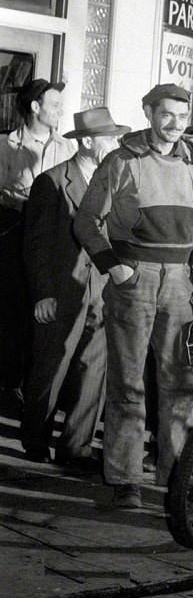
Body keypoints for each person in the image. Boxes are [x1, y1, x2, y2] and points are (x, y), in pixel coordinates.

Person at [74, 83, 193, 510]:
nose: (176, 125)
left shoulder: (192, 164)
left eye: (183, 116)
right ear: (148, 112)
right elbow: (87, 222)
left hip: (179, 282)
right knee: (128, 383)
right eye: (167, 115)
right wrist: (114, 266)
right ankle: (125, 478)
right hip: (134, 280)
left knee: (179, 384)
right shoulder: (121, 160)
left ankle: (176, 475)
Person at [20, 106, 131, 466]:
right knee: (51, 366)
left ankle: (76, 447)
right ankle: (35, 439)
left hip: (101, 291)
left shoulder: (114, 184)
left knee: (93, 369)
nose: (115, 144)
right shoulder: (52, 181)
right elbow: (35, 244)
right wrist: (43, 294)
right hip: (61, 290)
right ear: (85, 142)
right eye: (109, 138)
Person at [0, 79, 76, 405]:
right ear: (35, 107)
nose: (61, 111)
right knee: (11, 311)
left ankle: (32, 388)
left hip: (50, 241)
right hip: (12, 233)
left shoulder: (67, 147)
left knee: (42, 311)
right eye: (55, 105)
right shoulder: (6, 145)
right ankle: (8, 382)